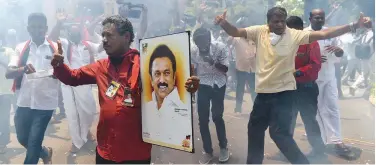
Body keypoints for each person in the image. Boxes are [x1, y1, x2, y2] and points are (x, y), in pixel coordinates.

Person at [215, 6, 371, 164]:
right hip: (263, 94)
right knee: (255, 131)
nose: (280, 25)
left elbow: (325, 33)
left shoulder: (294, 35)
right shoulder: (259, 31)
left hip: (284, 94)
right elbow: (235, 32)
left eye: (282, 21)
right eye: (276, 21)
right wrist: (223, 23)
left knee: (280, 133)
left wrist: (354, 25)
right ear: (268, 23)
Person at [51, 15, 200, 164]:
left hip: (136, 153)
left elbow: (167, 92)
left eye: (109, 35)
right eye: (103, 35)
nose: (104, 39)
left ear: (126, 37)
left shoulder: (146, 65)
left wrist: (187, 86)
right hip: (105, 151)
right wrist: (59, 65)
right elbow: (72, 77)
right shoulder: (100, 67)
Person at [5, 13, 57, 164]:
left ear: (45, 28)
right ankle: (45, 152)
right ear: (28, 29)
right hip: (24, 102)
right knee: (22, 138)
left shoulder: (55, 48)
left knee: (33, 143)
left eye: (40, 27)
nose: (37, 30)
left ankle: (37, 155)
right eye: (33, 27)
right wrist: (23, 69)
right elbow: (9, 73)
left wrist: (58, 72)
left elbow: (64, 73)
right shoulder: (21, 48)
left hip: (45, 104)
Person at [306, 9, 355, 159]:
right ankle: (320, 142)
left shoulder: (330, 32)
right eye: (317, 17)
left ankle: (337, 141)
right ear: (310, 18)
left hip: (329, 76)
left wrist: (339, 51)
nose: (320, 20)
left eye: (322, 18)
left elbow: (339, 55)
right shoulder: (304, 34)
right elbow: (298, 56)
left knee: (333, 108)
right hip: (313, 78)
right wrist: (314, 59)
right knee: (318, 111)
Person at [48, 14, 98, 153]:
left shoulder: (88, 45)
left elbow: (101, 47)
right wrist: (59, 23)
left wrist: (97, 24)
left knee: (89, 111)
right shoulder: (64, 43)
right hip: (67, 82)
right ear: (69, 34)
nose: (75, 34)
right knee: (72, 113)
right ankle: (77, 142)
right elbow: (52, 38)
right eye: (73, 32)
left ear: (81, 34)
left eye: (78, 32)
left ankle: (86, 133)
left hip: (84, 82)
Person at [286, 16, 327, 160]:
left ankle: (319, 151)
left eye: (291, 30)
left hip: (306, 88)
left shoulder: (311, 42)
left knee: (309, 120)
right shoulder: (286, 42)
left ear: (299, 29)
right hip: (289, 88)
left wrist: (298, 72)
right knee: (288, 119)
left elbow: (316, 65)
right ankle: (287, 150)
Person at [192, 27, 230, 164]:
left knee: (217, 116)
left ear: (208, 39)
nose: (199, 46)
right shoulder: (194, 51)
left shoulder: (221, 47)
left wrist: (212, 62)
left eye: (201, 42)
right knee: (202, 119)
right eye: (197, 43)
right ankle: (208, 151)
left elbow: (225, 68)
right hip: (203, 84)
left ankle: (224, 147)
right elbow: (194, 69)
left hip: (219, 83)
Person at [143, 44, 191, 148]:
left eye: (166, 73)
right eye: (157, 74)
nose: (162, 80)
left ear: (174, 77)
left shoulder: (184, 112)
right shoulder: (146, 109)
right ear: (151, 79)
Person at [0, 33, 16, 154]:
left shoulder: (8, 52)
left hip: (5, 91)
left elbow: (13, 68)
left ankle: (3, 142)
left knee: (4, 117)